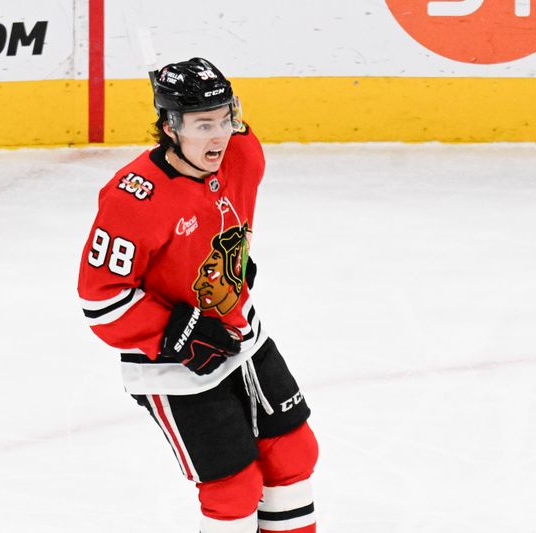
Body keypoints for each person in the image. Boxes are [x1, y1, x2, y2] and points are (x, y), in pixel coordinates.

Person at [77, 57, 318, 533]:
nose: (219, 136)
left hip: (242, 330)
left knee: (294, 453)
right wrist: (180, 333)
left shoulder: (243, 152)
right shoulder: (134, 198)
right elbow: (100, 299)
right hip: (171, 364)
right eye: (203, 124)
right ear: (169, 127)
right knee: (234, 489)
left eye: (225, 118)